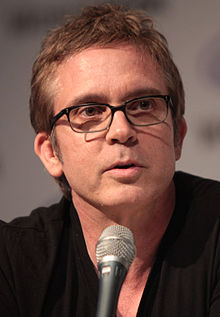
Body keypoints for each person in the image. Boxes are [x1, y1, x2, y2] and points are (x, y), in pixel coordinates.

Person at [0, 3, 220, 317]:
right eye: (89, 111)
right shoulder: (12, 261)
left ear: (178, 137)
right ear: (50, 152)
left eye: (143, 104)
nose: (121, 130)